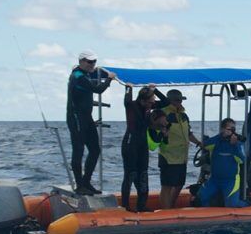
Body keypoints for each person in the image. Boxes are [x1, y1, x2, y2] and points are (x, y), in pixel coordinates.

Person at [67, 50, 116, 195]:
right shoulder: (78, 76)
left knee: (95, 150)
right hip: (75, 118)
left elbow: (87, 95)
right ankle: (79, 185)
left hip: (86, 118)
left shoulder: (85, 74)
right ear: (81, 61)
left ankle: (86, 181)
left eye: (94, 61)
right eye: (89, 62)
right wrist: (109, 78)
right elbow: (98, 89)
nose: (92, 64)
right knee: (79, 151)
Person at [120, 84, 168, 212]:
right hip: (130, 144)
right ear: (142, 100)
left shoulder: (149, 106)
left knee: (143, 175)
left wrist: (155, 90)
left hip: (142, 144)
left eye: (153, 101)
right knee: (130, 175)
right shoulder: (132, 106)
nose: (152, 103)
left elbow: (165, 102)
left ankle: (141, 205)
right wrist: (128, 88)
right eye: (151, 101)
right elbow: (127, 100)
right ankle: (125, 206)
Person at [158, 89, 202, 209]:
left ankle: (171, 206)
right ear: (169, 101)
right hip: (168, 156)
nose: (179, 102)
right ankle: (165, 210)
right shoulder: (162, 114)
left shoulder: (184, 116)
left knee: (179, 184)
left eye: (181, 100)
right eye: (176, 100)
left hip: (182, 157)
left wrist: (198, 143)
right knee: (167, 185)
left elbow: (188, 133)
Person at [197, 118, 248, 208]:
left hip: (231, 180)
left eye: (234, 130)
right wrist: (221, 137)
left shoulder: (238, 144)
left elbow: (241, 160)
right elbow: (205, 145)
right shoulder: (216, 141)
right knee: (200, 198)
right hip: (214, 180)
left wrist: (234, 145)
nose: (232, 132)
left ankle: (248, 206)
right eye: (229, 129)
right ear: (222, 129)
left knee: (232, 205)